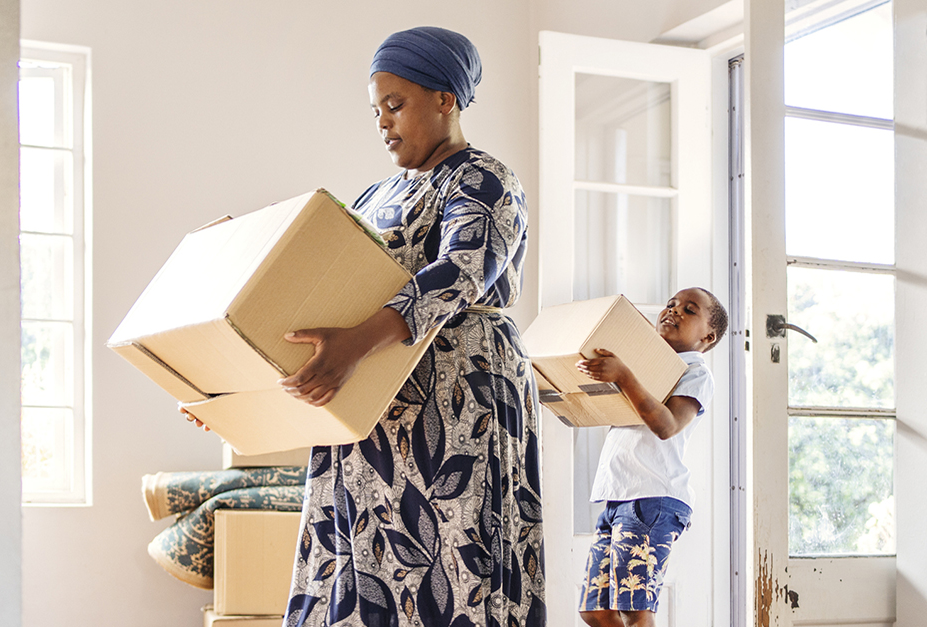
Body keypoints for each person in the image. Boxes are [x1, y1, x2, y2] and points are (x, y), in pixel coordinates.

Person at [271, 26, 543, 627]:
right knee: (362, 557)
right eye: (376, 110)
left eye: (396, 105)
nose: (383, 122)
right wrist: (231, 381)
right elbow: (317, 280)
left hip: (456, 399)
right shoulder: (376, 194)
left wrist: (353, 348)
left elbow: (458, 272)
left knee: (451, 555)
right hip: (371, 405)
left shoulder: (484, 179)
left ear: (446, 98)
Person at [574, 287, 728, 627]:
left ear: (708, 335)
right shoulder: (647, 368)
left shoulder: (695, 372)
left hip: (652, 498)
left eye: (689, 310)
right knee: (595, 610)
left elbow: (666, 424)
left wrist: (624, 376)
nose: (673, 311)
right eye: (671, 304)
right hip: (619, 496)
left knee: (635, 610)